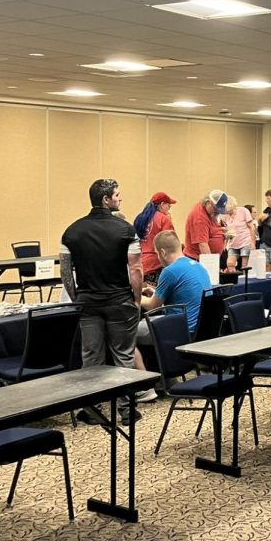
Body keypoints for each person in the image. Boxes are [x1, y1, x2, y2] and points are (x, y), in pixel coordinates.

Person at [59, 178, 143, 424]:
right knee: (123, 355)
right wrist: (136, 298)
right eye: (117, 195)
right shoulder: (126, 230)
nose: (120, 198)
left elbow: (65, 272)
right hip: (120, 302)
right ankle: (127, 410)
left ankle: (93, 410)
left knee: (92, 357)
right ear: (105, 200)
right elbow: (136, 269)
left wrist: (78, 297)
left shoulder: (71, 231)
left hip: (88, 303)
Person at [135, 230, 213, 373]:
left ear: (163, 252)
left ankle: (148, 382)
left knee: (127, 334)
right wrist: (155, 293)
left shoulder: (169, 271)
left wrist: (136, 297)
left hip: (178, 330)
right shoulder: (198, 266)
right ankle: (166, 377)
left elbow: (153, 306)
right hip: (199, 329)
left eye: (157, 254)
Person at [134, 192, 177, 284]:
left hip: (140, 263)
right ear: (162, 204)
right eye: (169, 206)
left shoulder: (140, 218)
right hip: (156, 264)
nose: (169, 209)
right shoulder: (163, 219)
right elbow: (169, 244)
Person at [183, 190, 228, 261]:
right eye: (216, 209)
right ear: (208, 202)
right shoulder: (199, 217)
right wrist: (211, 266)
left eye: (220, 211)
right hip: (198, 259)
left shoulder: (209, 212)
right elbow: (202, 245)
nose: (217, 212)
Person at [223, 196, 256, 272]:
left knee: (245, 265)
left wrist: (253, 243)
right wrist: (225, 243)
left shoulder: (243, 211)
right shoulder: (226, 216)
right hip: (233, 243)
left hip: (245, 241)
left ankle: (245, 281)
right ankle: (234, 280)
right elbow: (227, 230)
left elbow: (252, 227)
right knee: (230, 264)